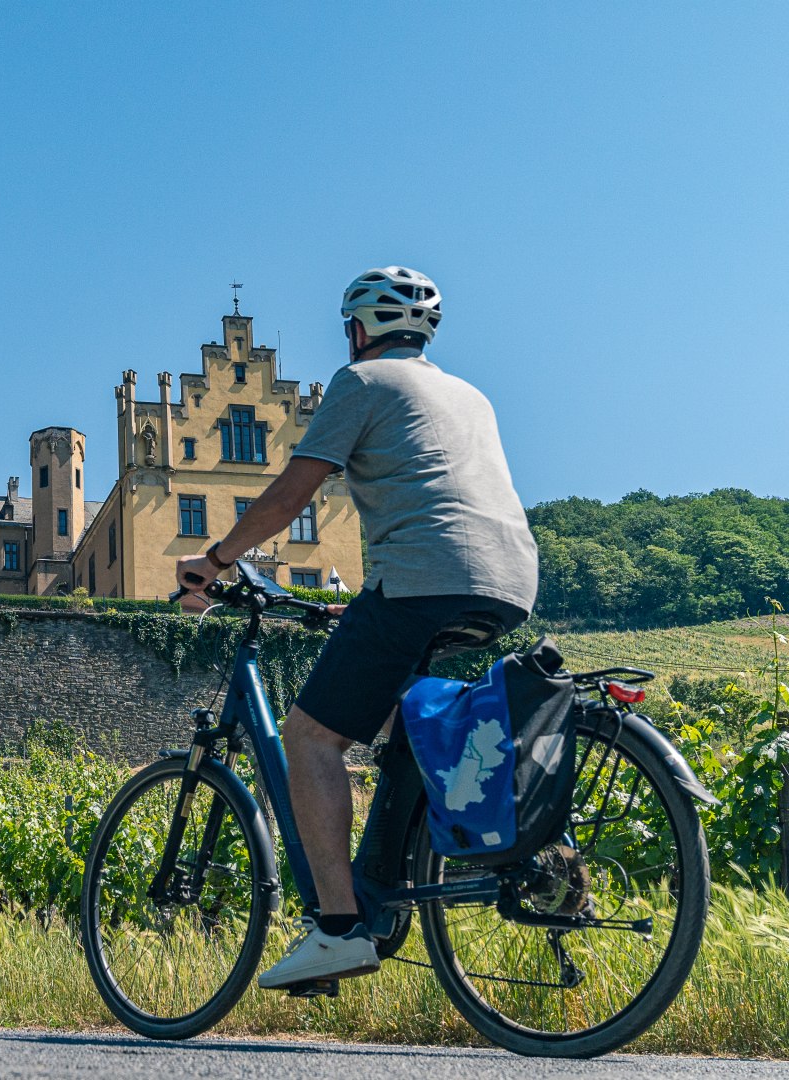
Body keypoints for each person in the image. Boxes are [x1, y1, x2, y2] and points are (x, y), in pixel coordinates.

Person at [174, 266, 538, 990]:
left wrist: (215, 560)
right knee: (407, 729)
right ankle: (387, 886)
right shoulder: (471, 396)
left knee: (312, 737)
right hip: (508, 583)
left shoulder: (362, 383)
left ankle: (337, 928)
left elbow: (291, 495)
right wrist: (364, 604)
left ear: (359, 329)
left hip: (422, 582)